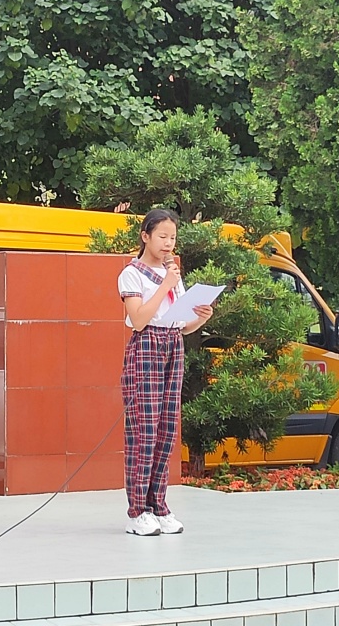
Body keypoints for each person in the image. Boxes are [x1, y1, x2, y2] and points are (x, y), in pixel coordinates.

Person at [117, 208, 213, 536]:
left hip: (173, 343)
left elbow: (181, 324)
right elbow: (139, 319)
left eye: (172, 237)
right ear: (145, 236)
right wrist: (166, 284)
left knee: (166, 429)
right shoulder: (132, 274)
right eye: (162, 236)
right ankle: (137, 511)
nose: (168, 243)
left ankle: (159, 505)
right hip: (146, 345)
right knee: (144, 430)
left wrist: (201, 317)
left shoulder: (173, 274)